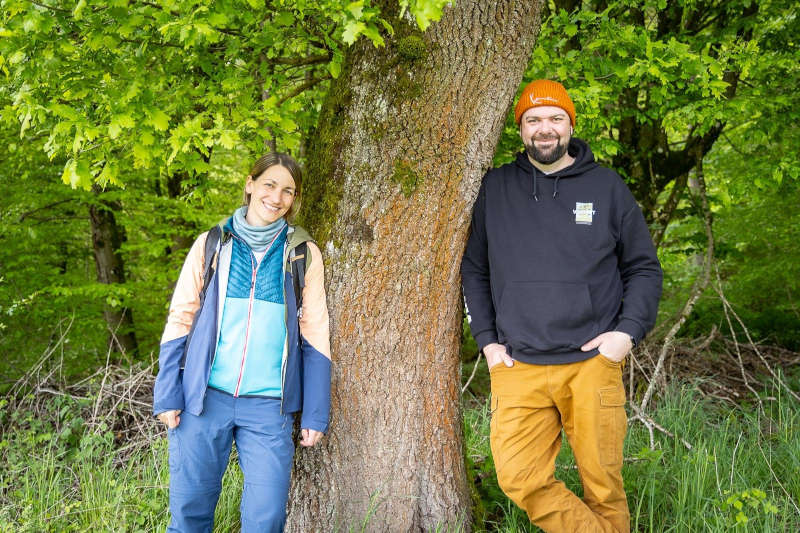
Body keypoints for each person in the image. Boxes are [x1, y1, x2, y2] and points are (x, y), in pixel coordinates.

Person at [461, 80, 662, 532]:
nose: (544, 129)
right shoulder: (496, 188)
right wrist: (488, 343)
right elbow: (475, 270)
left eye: (555, 118)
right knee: (519, 478)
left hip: (591, 363)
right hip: (517, 365)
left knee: (603, 486)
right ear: (521, 129)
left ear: (570, 124)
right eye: (533, 120)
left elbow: (644, 269)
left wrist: (625, 334)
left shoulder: (607, 187)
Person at [153, 152, 331, 533]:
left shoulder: (301, 253)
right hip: (203, 400)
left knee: (265, 518)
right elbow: (181, 317)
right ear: (250, 184)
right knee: (189, 515)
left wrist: (315, 412)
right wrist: (167, 392)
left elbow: (316, 334)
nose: (277, 197)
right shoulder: (212, 244)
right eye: (269, 184)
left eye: (288, 191)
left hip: (269, 408)